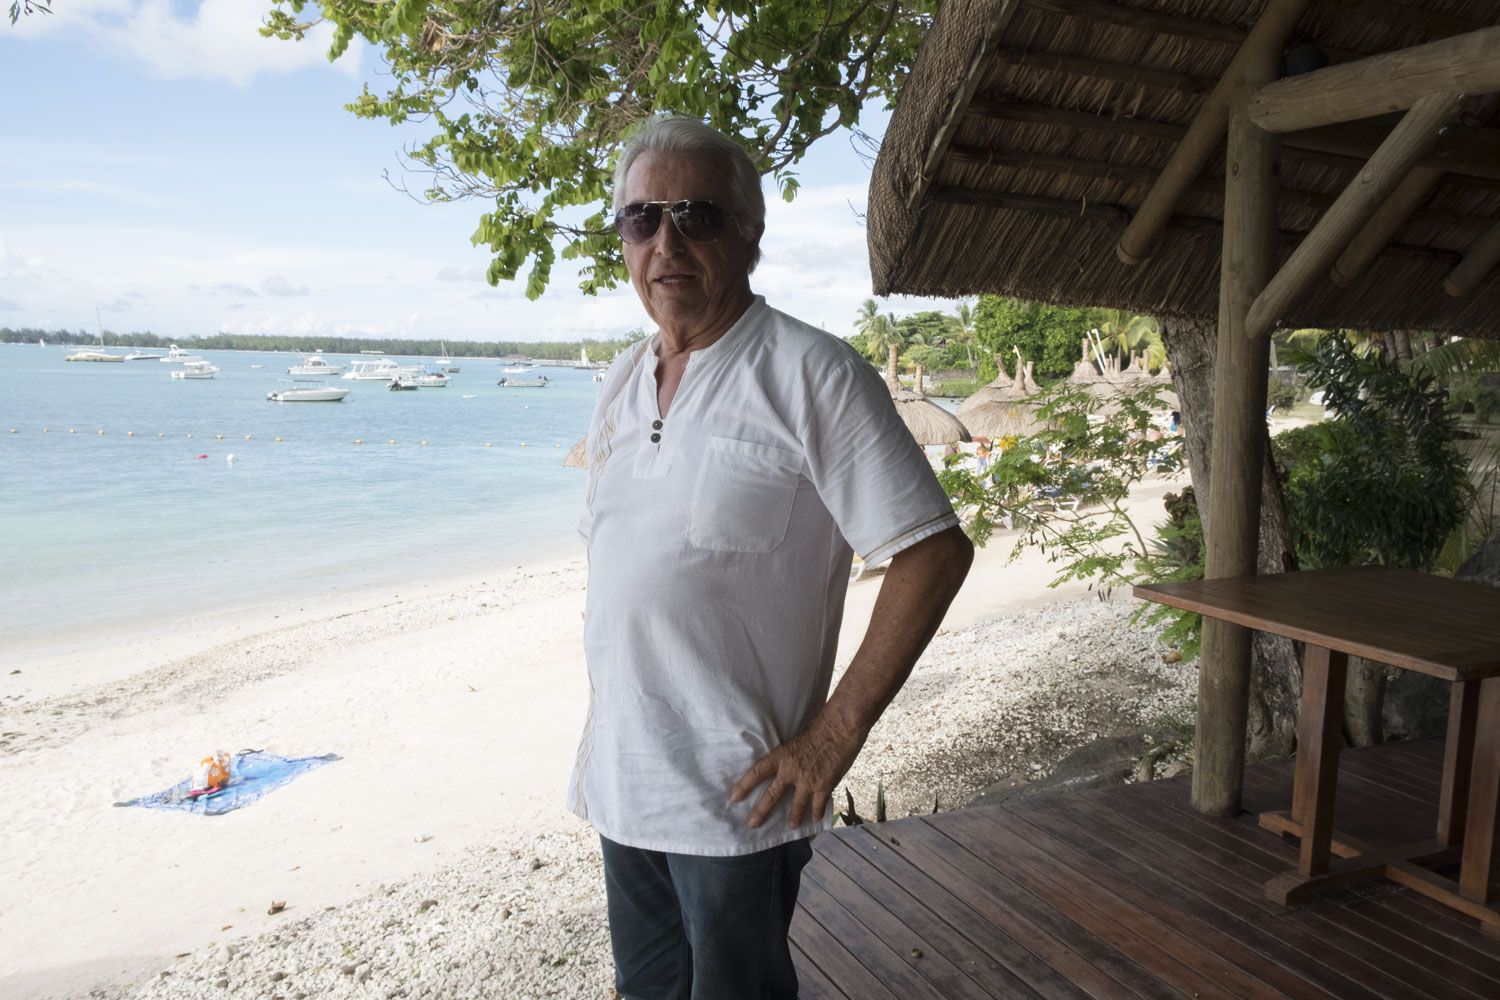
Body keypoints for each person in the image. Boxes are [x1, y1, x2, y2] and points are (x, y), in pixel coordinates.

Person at [571, 115, 973, 1000]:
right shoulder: (621, 378)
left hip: (737, 798)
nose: (665, 241)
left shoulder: (812, 374)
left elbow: (932, 553)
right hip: (622, 779)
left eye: (696, 216)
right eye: (642, 220)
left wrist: (834, 738)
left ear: (750, 233)